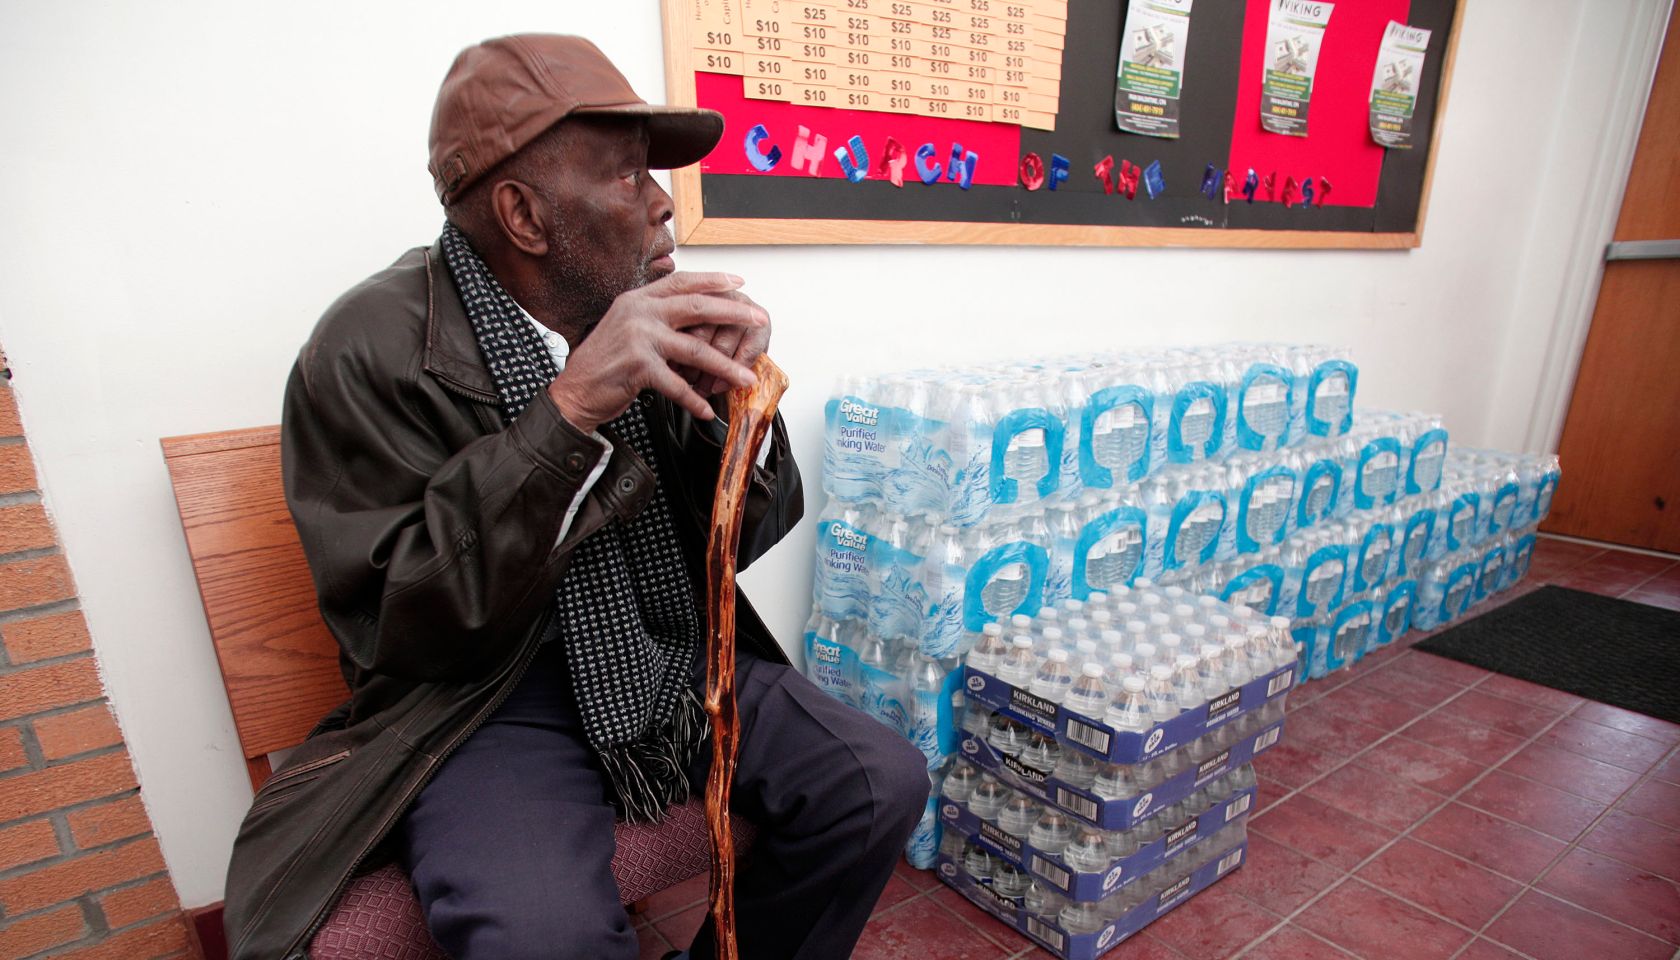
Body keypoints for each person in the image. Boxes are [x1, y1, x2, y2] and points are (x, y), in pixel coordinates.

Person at [221, 34, 930, 960]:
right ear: (524, 214)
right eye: (630, 175)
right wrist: (567, 412)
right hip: (481, 699)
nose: (663, 202)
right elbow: (403, 623)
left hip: (661, 647)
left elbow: (739, 542)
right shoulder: (365, 348)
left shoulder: (627, 304)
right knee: (541, 935)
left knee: (878, 782)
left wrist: (731, 415)